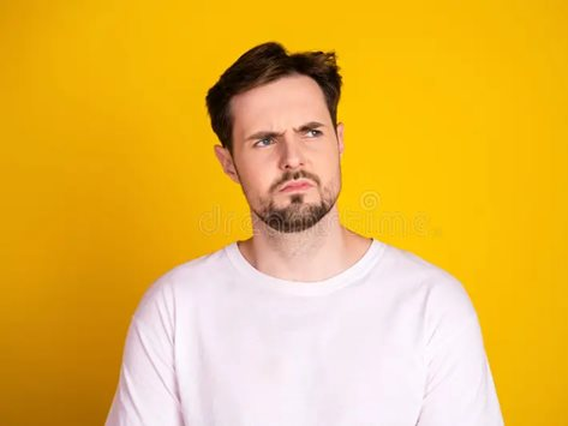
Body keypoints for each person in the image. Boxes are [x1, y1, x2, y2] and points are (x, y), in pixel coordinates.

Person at [106, 41, 504, 426]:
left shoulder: (432, 305)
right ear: (228, 163)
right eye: (265, 141)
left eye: (311, 132)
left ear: (339, 140)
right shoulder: (175, 309)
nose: (292, 158)